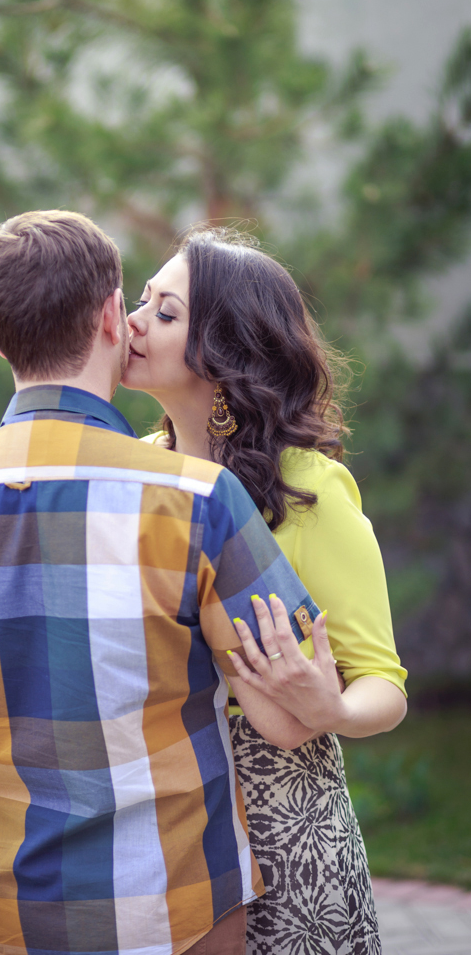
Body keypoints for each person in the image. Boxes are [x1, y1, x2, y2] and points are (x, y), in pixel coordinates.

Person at [0, 210, 338, 955]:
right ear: (112, 317)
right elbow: (285, 717)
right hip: (177, 905)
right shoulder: (200, 499)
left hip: (0, 910)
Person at [122, 226, 408, 955]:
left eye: (165, 312)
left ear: (221, 354)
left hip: (288, 840)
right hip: (165, 835)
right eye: (140, 300)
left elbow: (383, 681)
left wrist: (334, 706)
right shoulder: (133, 472)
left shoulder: (307, 487)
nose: (132, 320)